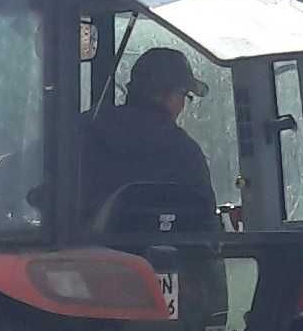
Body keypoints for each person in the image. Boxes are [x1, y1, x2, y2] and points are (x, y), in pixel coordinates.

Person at [81, 45, 216, 217]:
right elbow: (205, 223)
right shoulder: (184, 152)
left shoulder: (86, 130)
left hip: (81, 244)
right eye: (184, 95)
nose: (183, 106)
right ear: (166, 95)